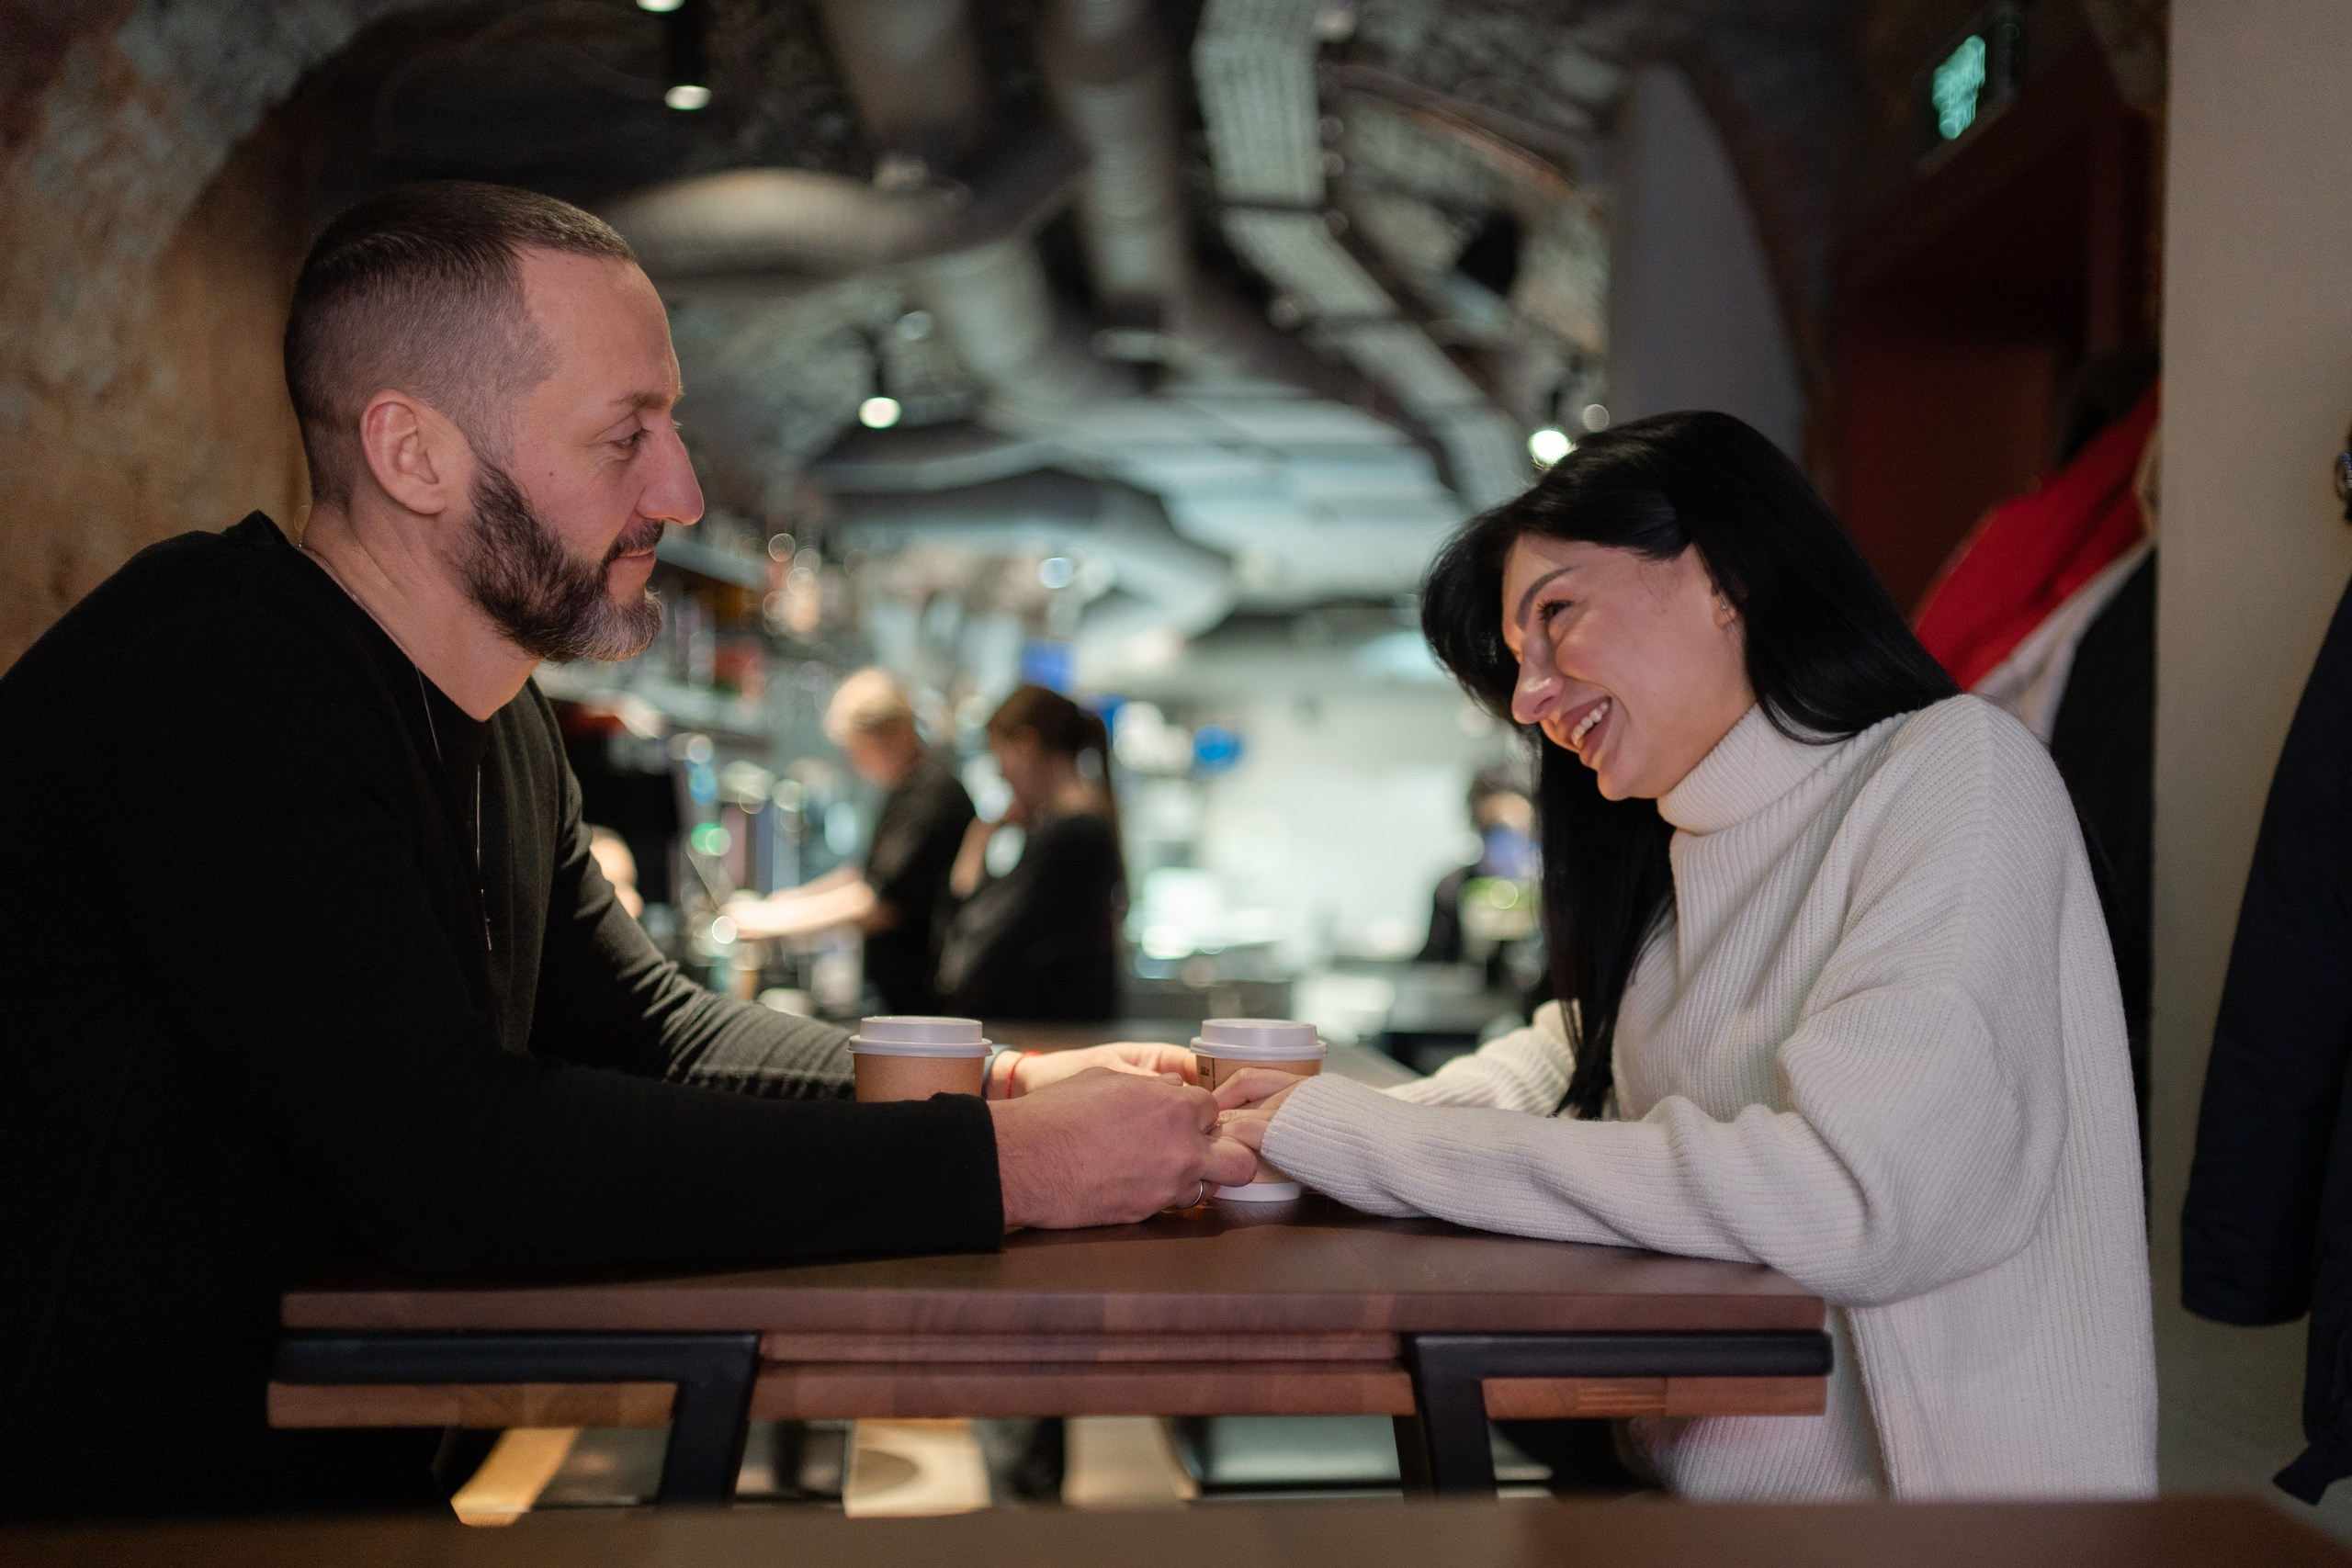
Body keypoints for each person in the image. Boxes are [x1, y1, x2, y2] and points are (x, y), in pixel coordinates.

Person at [0, 181, 1252, 1523]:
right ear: (414, 454)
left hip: (313, 1476)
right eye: (624, 438)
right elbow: (455, 1162)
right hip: (99, 1506)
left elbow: (645, 1029)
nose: (682, 488)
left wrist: (995, 1082)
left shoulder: (502, 718)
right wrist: (1017, 1166)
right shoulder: (219, 675)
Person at [1215, 412, 2156, 1500]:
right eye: (1517, 663)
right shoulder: (1685, 847)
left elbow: (1855, 1196)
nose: (1529, 699)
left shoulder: (1950, 770)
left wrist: (1362, 1140)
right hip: (1682, 1502)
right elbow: (1575, 1064)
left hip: (1931, 1529)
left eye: (1555, 616)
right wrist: (1280, 1129)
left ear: (1724, 576)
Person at [727, 668, 976, 1013]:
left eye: (857, 749)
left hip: (922, 990)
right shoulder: (909, 788)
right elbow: (867, 875)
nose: (853, 762)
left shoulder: (931, 795)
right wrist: (786, 902)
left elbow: (880, 904)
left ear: (894, 738)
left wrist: (773, 920)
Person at [934, 685, 1125, 1023]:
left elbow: (968, 959)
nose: (1001, 774)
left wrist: (978, 840)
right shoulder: (1083, 829)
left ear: (1026, 745)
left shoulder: (1071, 835)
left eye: (999, 757)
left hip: (1047, 1038)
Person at [1416, 764, 1537, 966]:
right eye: (1494, 828)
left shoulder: (1557, 891)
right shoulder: (1453, 889)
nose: (1506, 842)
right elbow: (1435, 964)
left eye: (1516, 828)